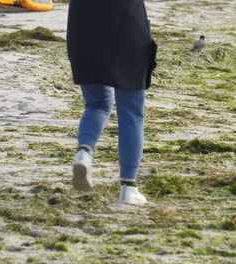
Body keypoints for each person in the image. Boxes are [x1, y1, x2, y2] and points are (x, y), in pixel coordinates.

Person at [67, 0, 157, 204]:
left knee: (97, 103)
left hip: (83, 28)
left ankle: (84, 152)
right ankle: (128, 188)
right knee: (131, 111)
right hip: (127, 28)